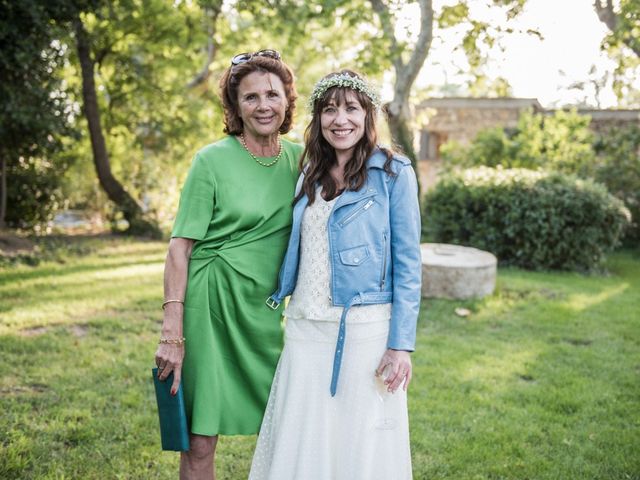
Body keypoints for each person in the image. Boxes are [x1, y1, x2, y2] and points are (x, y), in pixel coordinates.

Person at [249, 70, 422, 480]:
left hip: (363, 329)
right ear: (318, 118)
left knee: (358, 441)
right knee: (302, 434)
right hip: (304, 325)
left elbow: (409, 265)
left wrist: (401, 346)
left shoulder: (394, 173)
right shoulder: (308, 170)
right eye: (329, 110)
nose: (339, 119)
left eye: (351, 108)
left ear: (367, 115)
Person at [154, 49, 303, 480]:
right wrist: (172, 330)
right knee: (200, 439)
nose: (263, 106)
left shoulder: (300, 160)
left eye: (272, 95)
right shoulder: (211, 160)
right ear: (235, 107)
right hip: (211, 305)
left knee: (292, 427)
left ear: (287, 101)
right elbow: (179, 248)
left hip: (268, 311)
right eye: (250, 97)